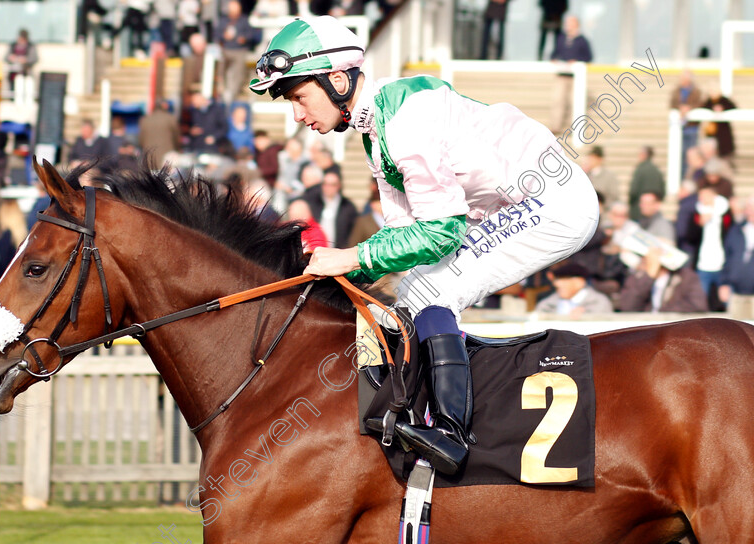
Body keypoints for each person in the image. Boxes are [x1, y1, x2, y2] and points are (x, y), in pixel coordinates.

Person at [250, 16, 599, 475]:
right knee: (411, 292)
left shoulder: (405, 121)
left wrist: (353, 256)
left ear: (336, 79)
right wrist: (341, 271)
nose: (297, 115)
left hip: (552, 199)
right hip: (509, 204)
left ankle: (451, 435)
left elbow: (441, 234)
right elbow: (406, 239)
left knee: (434, 291)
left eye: (299, 97)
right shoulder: (376, 134)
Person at [683, 186, 732, 311]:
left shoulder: (725, 212)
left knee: (725, 299)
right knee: (701, 300)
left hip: (722, 262)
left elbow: (730, 234)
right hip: (703, 263)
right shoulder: (697, 213)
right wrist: (699, 225)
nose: (702, 199)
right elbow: (690, 237)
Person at [618, 247, 708, 313]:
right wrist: (649, 276)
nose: (644, 260)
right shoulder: (637, 278)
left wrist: (661, 312)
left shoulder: (686, 277)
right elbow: (628, 306)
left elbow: (698, 306)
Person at [549, 15, 592, 134]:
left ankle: (575, 128)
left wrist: (576, 60)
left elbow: (588, 57)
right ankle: (555, 126)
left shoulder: (582, 40)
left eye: (570, 23)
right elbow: (555, 53)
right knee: (557, 100)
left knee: (575, 102)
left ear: (576, 24)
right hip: (561, 75)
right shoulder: (561, 38)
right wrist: (554, 59)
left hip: (576, 78)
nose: (567, 25)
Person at [719, 196, 754, 320]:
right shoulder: (736, 230)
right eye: (749, 208)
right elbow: (728, 259)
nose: (750, 211)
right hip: (737, 292)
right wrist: (724, 283)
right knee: (739, 331)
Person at [304, 170, 358, 249]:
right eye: (325, 184)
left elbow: (353, 231)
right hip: (316, 249)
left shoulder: (347, 207)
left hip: (338, 250)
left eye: (332, 185)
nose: (328, 188)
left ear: (338, 186)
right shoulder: (313, 203)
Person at [535, 263, 612, 316]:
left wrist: (585, 317)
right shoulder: (547, 304)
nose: (557, 284)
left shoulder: (598, 302)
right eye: (557, 279)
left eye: (564, 279)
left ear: (579, 282)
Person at [217, 0, 256, 105]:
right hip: (226, 49)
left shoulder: (244, 20)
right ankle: (222, 88)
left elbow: (251, 35)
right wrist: (223, 36)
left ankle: (233, 92)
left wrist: (243, 39)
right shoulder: (224, 20)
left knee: (239, 68)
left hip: (240, 50)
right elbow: (217, 35)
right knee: (220, 64)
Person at [670, 70, 702, 175]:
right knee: (679, 155)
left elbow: (700, 104)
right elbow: (672, 104)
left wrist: (689, 109)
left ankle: (689, 176)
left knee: (691, 155)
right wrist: (680, 108)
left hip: (692, 128)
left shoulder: (696, 92)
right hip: (680, 127)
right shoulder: (676, 92)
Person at [138, 99, 180, 170]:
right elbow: (176, 137)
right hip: (167, 155)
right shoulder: (170, 118)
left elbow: (141, 139)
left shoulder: (145, 119)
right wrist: (178, 148)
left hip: (150, 155)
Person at [627, 146, 665, 221]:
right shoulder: (657, 170)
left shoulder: (640, 169)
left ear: (644, 155)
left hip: (638, 211)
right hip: (653, 211)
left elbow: (633, 191)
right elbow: (663, 192)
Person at [702, 89, 736, 161]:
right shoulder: (709, 102)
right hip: (712, 134)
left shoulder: (724, 101)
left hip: (723, 135)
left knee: (725, 158)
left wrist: (722, 109)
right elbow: (703, 108)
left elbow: (733, 107)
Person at [4, 29, 39, 93]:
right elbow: (5, 57)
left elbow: (35, 58)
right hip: (13, 72)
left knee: (25, 88)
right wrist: (11, 58)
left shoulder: (31, 46)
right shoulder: (13, 45)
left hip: (26, 72)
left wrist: (26, 60)